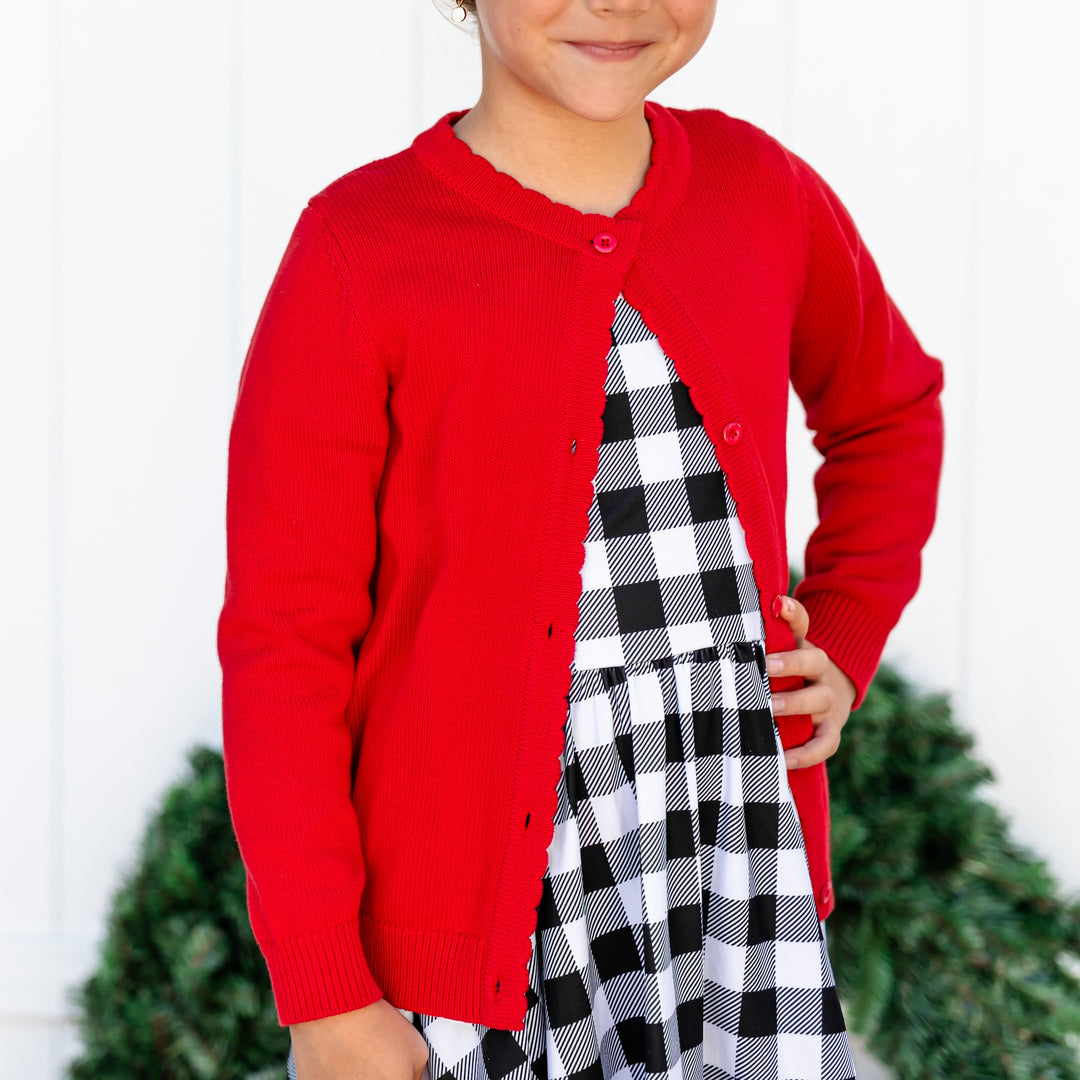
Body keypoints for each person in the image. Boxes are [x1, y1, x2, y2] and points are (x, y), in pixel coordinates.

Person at [217, 0, 944, 1077]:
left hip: (726, 854)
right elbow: (286, 644)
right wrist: (329, 997)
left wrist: (838, 640)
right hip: (480, 922)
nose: (623, 4)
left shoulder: (761, 191)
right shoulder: (361, 247)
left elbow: (888, 411)